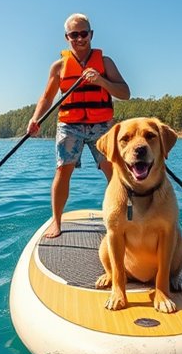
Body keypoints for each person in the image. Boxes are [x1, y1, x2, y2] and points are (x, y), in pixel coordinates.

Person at [27, 13, 131, 238]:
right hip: (69, 125)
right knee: (62, 172)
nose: (80, 38)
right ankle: (57, 222)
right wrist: (35, 118)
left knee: (114, 171)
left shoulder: (105, 62)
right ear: (67, 37)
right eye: (74, 35)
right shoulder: (59, 66)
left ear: (91, 34)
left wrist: (102, 81)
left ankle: (121, 220)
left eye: (84, 33)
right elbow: (47, 97)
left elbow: (125, 93)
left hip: (102, 125)